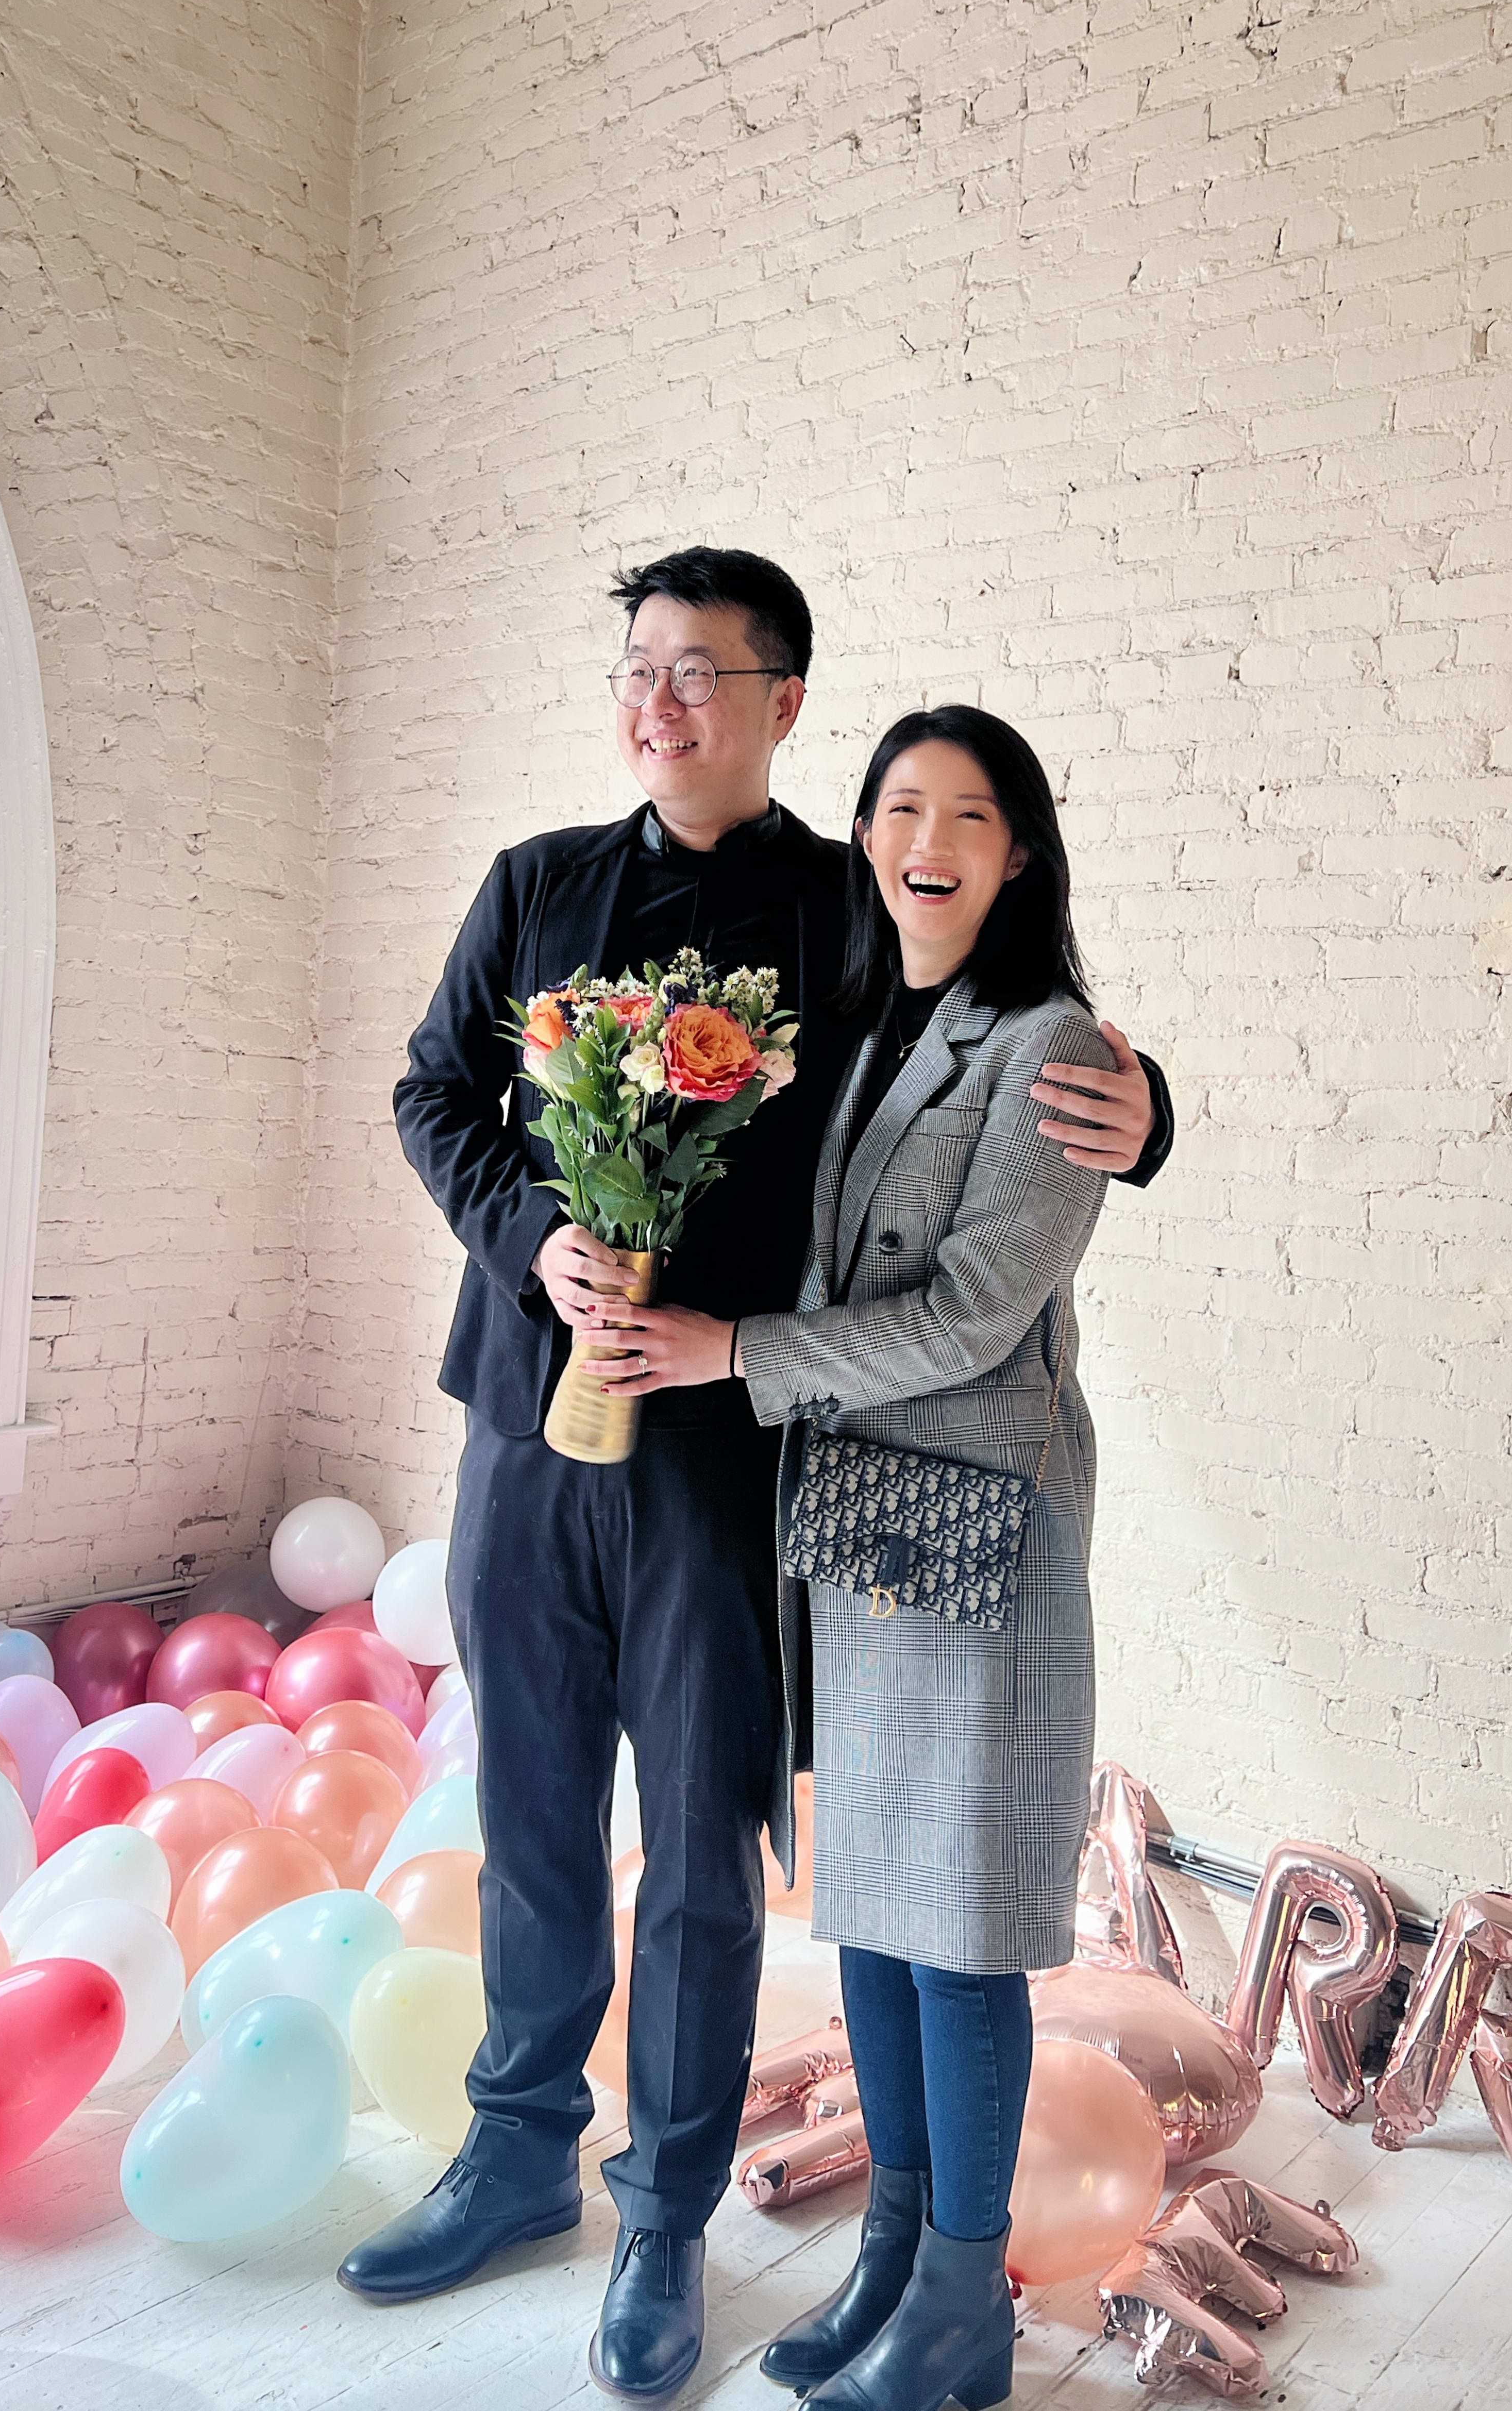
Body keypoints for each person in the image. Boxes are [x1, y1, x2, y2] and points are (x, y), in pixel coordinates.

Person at [339, 552, 1171, 2404]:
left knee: (703, 1853)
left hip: (731, 1455)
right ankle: (512, 2151)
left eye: (703, 675)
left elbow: (995, 1018)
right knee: (535, 1806)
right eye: (638, 671)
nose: (661, 706)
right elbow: (432, 1096)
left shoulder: (845, 907)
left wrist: (1152, 1102)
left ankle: (663, 2212)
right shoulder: (535, 884)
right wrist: (529, 1240)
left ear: (785, 701)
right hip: (526, 1425)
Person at [605, 707, 1117, 2411]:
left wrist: (730, 1355)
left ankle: (963, 2316)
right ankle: (898, 2256)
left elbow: (977, 1316)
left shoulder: (1055, 1047)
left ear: (1020, 852)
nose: (931, 837)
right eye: (903, 804)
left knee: (960, 1931)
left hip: (977, 1537)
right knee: (887, 1924)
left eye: (972, 813)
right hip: (860, 1533)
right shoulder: (874, 1020)